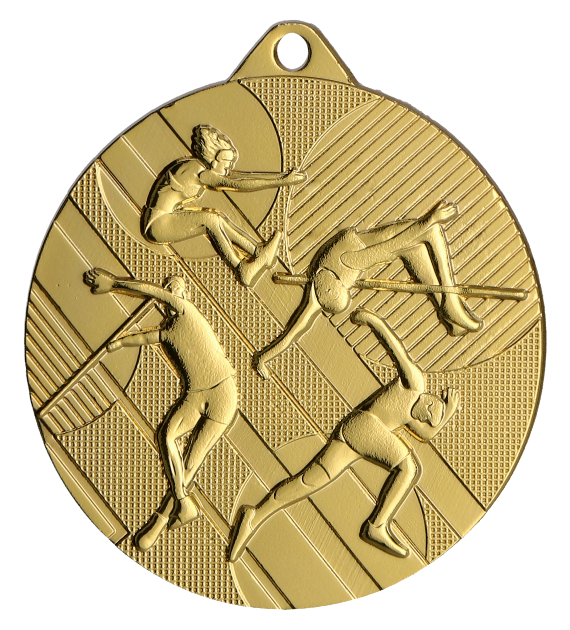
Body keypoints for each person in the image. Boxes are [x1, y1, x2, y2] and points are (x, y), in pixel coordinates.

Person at [228, 308, 460, 562]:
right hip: (365, 427)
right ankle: (377, 526)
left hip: (355, 433)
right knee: (408, 467)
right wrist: (371, 319)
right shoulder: (414, 383)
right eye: (428, 410)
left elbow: (426, 434)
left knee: (307, 482)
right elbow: (395, 349)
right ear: (427, 399)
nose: (422, 416)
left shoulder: (415, 415)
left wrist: (448, 414)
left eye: (426, 418)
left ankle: (255, 515)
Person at [84, 268, 239, 551]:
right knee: (167, 436)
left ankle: (159, 524)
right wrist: (119, 343)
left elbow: (153, 291)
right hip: (196, 395)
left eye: (173, 288)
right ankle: (182, 500)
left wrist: (114, 284)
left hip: (222, 391)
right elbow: (145, 338)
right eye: (168, 289)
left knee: (191, 463)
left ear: (184, 293)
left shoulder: (187, 311)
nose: (169, 293)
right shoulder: (168, 332)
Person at [253, 199, 482, 379]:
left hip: (377, 243)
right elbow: (293, 333)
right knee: (420, 245)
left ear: (332, 285)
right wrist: (263, 358)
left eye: (341, 289)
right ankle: (450, 310)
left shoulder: (345, 262)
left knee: (430, 231)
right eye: (346, 290)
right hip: (380, 245)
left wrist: (431, 218)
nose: (347, 287)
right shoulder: (317, 292)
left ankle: (450, 304)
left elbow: (392, 245)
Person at [142, 124, 307, 287]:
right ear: (215, 161)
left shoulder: (198, 168)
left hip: (164, 219)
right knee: (209, 220)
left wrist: (282, 177)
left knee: (217, 219)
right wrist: (283, 181)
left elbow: (239, 177)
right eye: (227, 163)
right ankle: (241, 268)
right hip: (157, 224)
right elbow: (237, 183)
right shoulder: (199, 172)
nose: (229, 169)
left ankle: (258, 252)